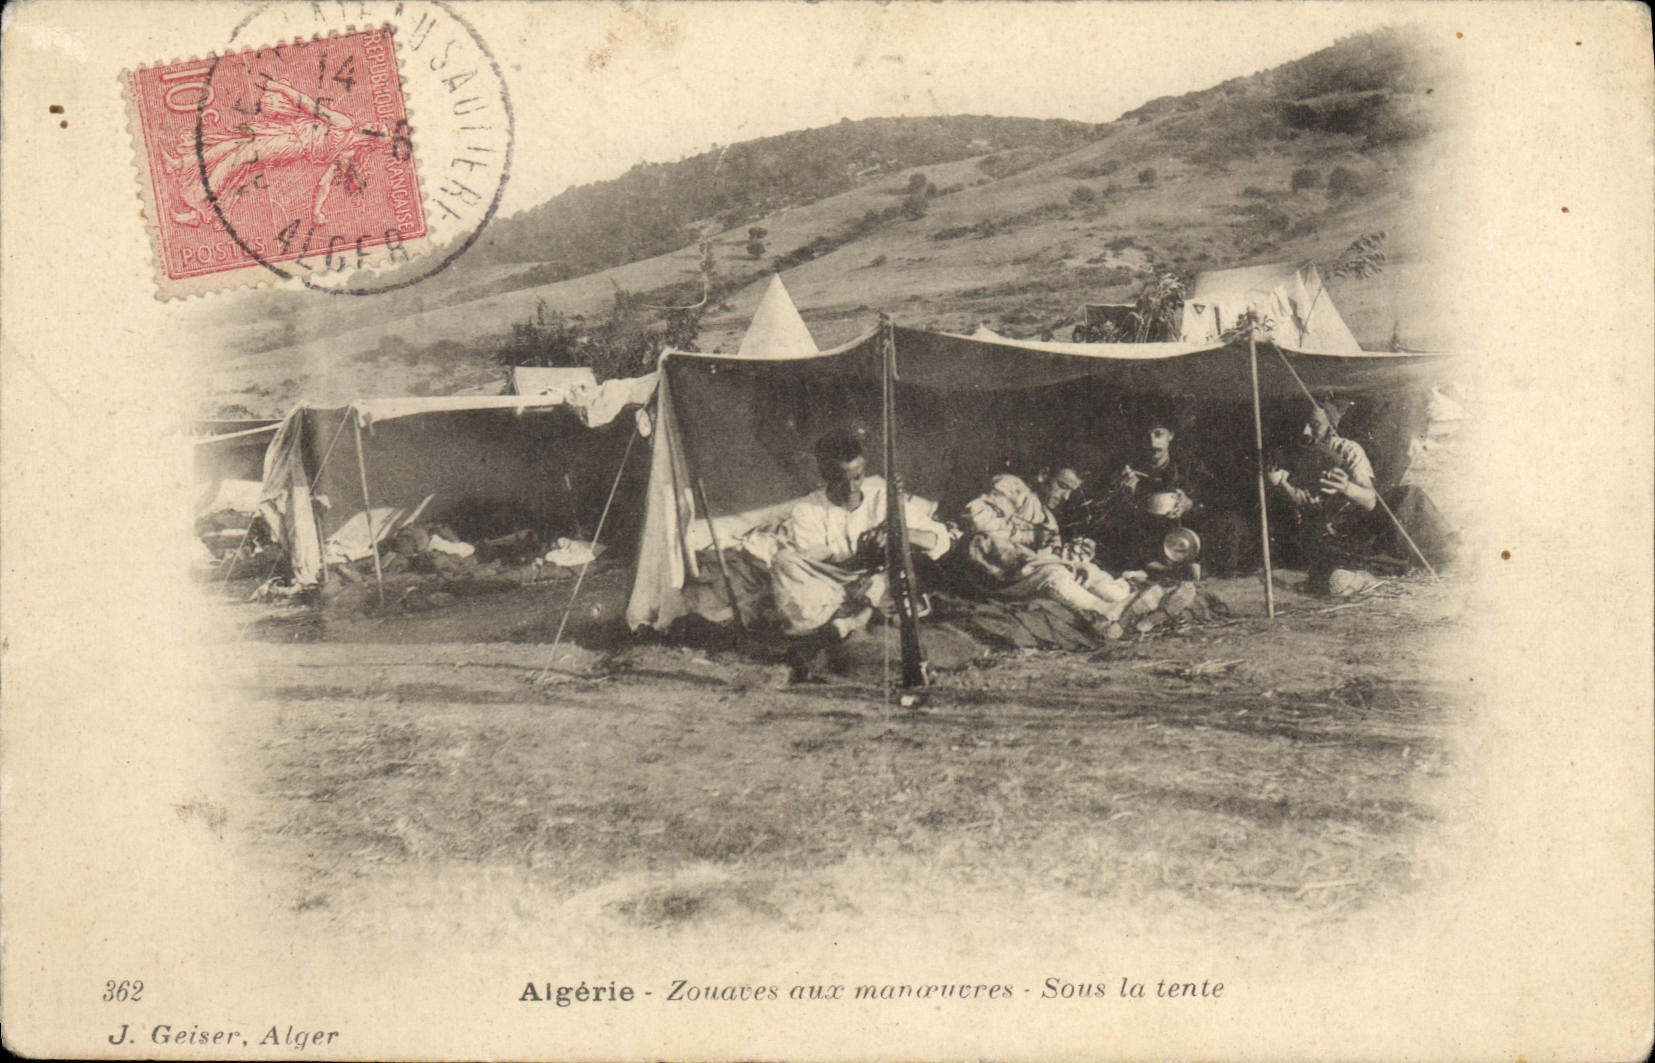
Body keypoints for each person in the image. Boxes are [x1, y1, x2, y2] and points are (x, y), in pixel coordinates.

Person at [769, 431, 951, 643]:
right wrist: (861, 557)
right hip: (834, 582)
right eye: (840, 480)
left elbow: (938, 540)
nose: (851, 488)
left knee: (899, 569)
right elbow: (819, 564)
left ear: (864, 469)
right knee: (783, 561)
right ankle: (861, 612)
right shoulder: (807, 509)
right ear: (824, 474)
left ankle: (851, 619)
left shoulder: (883, 497)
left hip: (879, 579)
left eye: (857, 478)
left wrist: (896, 532)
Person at [163, 75, 390, 228]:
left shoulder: (345, 130)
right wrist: (317, 213)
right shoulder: (347, 150)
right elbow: (324, 182)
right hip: (285, 131)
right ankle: (182, 166)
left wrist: (316, 212)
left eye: (377, 128)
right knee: (233, 144)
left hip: (291, 145)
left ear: (373, 138)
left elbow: (310, 106)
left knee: (238, 156)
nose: (373, 123)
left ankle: (199, 202)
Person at [959, 465, 1163, 634]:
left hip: (1027, 572)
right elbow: (977, 521)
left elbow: (1049, 553)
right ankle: (1105, 614)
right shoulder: (1013, 486)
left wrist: (1072, 555)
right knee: (1053, 574)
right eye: (1062, 486)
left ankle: (1128, 602)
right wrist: (1030, 536)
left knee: (1086, 570)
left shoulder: (1049, 519)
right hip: (996, 572)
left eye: (1070, 491)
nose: (1065, 497)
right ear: (1043, 475)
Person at [1267, 400, 1379, 595]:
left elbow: (1370, 500)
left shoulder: (1348, 451)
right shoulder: (1296, 454)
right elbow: (1302, 500)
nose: (1306, 431)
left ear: (1331, 424)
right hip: (1313, 531)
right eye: (1303, 424)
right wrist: (1280, 484)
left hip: (1347, 528)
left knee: (1336, 576)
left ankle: (1355, 578)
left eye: (1314, 424)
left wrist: (1346, 487)